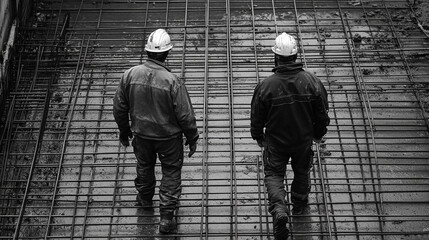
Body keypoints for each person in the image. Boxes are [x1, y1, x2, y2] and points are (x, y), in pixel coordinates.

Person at [113, 28, 199, 234]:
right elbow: (185, 115)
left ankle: (144, 199)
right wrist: (192, 137)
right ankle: (166, 218)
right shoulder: (172, 81)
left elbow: (119, 106)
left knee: (144, 165)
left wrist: (124, 130)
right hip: (168, 138)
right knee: (170, 171)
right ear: (167, 53)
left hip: (141, 134)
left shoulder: (130, 75)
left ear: (148, 51)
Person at [250, 32, 330, 240]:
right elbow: (322, 113)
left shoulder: (266, 86)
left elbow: (257, 116)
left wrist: (258, 136)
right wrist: (318, 134)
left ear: (276, 57)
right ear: (296, 55)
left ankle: (279, 210)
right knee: (302, 171)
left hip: (276, 142)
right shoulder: (311, 82)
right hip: (302, 140)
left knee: (274, 175)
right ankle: (300, 205)